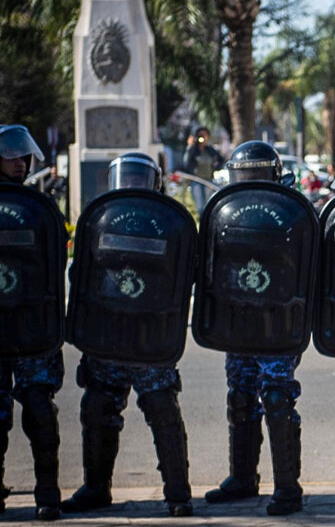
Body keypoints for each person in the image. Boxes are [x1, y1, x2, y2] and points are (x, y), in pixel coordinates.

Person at [61, 153, 193, 517]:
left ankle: (178, 493)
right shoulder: (101, 216)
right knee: (97, 408)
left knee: (163, 410)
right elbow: (82, 275)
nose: (133, 184)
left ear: (154, 181)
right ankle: (95, 488)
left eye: (140, 177)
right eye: (128, 177)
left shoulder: (168, 220)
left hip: (150, 336)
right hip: (108, 333)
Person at [203, 141, 305, 515]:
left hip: (278, 322)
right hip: (240, 319)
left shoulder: (293, 210)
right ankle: (243, 479)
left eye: (255, 175)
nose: (248, 182)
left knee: (276, 398)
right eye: (243, 175)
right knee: (240, 396)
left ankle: (287, 488)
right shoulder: (226, 210)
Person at [0, 124, 64, 520]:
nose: (21, 164)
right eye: (12, 157)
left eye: (24, 157)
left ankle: (48, 494)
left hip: (30, 326)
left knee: (40, 409)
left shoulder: (36, 206)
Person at [181, 126, 224, 213]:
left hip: (208, 181)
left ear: (208, 137)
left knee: (210, 206)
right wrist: (189, 147)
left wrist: (215, 168)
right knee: (201, 208)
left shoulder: (210, 150)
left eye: (204, 135)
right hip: (197, 181)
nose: (202, 138)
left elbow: (221, 160)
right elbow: (186, 163)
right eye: (200, 135)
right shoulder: (193, 150)